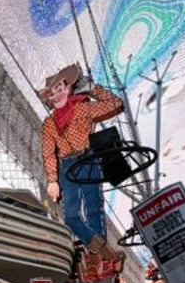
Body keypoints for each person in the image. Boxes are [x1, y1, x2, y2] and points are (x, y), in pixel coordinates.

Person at [39, 62, 124, 266]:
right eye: (52, 92)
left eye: (60, 87)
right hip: (66, 165)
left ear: (68, 88)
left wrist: (93, 88)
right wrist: (52, 180)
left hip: (88, 158)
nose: (57, 93)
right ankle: (101, 249)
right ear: (49, 98)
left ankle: (98, 257)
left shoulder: (82, 108)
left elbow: (115, 104)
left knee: (94, 207)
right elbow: (48, 153)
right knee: (71, 216)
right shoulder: (49, 124)